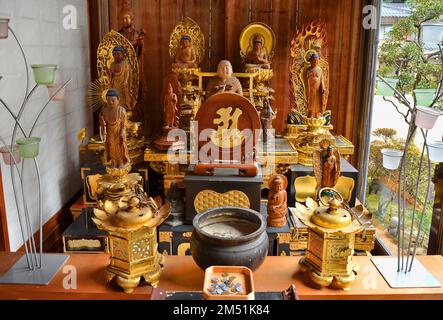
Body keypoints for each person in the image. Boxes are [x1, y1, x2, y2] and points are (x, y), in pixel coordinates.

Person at [99, 89, 130, 168]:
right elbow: (104, 124)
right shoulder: (105, 111)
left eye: (113, 100)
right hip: (110, 132)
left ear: (118, 100)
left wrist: (122, 131)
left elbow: (124, 123)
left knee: (119, 147)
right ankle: (114, 161)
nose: (111, 102)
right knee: (111, 146)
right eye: (108, 100)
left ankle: (120, 161)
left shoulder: (121, 110)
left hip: (118, 131)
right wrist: (101, 120)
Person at [110, 45, 136, 111]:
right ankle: (116, 109)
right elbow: (111, 75)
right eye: (115, 54)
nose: (116, 56)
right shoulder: (112, 64)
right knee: (115, 96)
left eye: (118, 54)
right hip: (115, 84)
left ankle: (124, 109)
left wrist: (125, 82)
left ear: (122, 55)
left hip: (123, 84)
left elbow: (127, 75)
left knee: (123, 98)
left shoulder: (125, 64)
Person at [306, 53, 327, 118]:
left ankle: (317, 113)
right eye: (313, 60)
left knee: (317, 103)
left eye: (316, 60)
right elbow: (305, 79)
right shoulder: (308, 70)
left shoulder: (320, 70)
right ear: (310, 61)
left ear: (318, 61)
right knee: (311, 102)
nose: (315, 62)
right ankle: (310, 113)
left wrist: (323, 87)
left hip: (318, 89)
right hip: (310, 88)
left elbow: (322, 80)